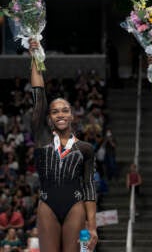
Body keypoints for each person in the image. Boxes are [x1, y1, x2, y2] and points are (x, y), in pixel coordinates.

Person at [29, 40, 98, 251]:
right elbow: (38, 94)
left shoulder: (85, 148)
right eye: (55, 111)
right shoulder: (42, 138)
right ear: (48, 117)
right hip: (47, 205)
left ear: (72, 115)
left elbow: (88, 186)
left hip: (75, 206)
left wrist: (93, 226)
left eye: (65, 110)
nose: (60, 114)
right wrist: (35, 55)